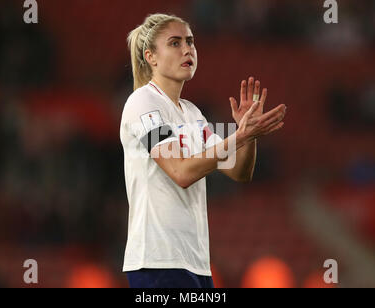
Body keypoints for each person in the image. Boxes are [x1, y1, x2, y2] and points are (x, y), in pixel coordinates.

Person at [120, 13, 286, 288]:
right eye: (174, 43)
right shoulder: (143, 102)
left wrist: (248, 133)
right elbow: (180, 171)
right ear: (151, 57)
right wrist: (239, 137)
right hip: (157, 261)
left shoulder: (194, 114)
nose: (187, 49)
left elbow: (238, 171)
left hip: (195, 262)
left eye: (190, 42)